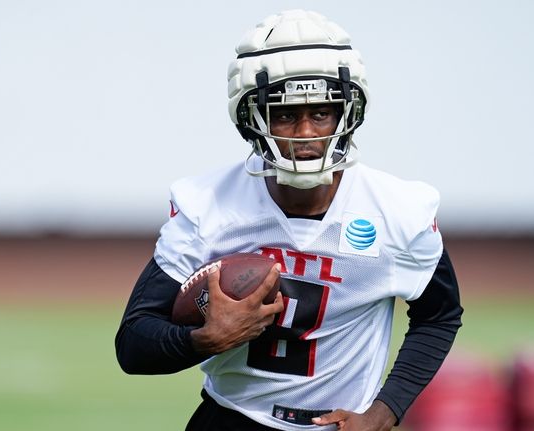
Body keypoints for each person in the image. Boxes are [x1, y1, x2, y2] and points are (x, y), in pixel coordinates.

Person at [115, 9, 463, 431]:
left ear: (347, 113)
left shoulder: (396, 211)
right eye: (284, 114)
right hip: (231, 419)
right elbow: (133, 343)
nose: (304, 133)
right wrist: (206, 340)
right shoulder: (208, 206)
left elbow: (438, 316)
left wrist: (385, 410)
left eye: (320, 113)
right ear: (251, 118)